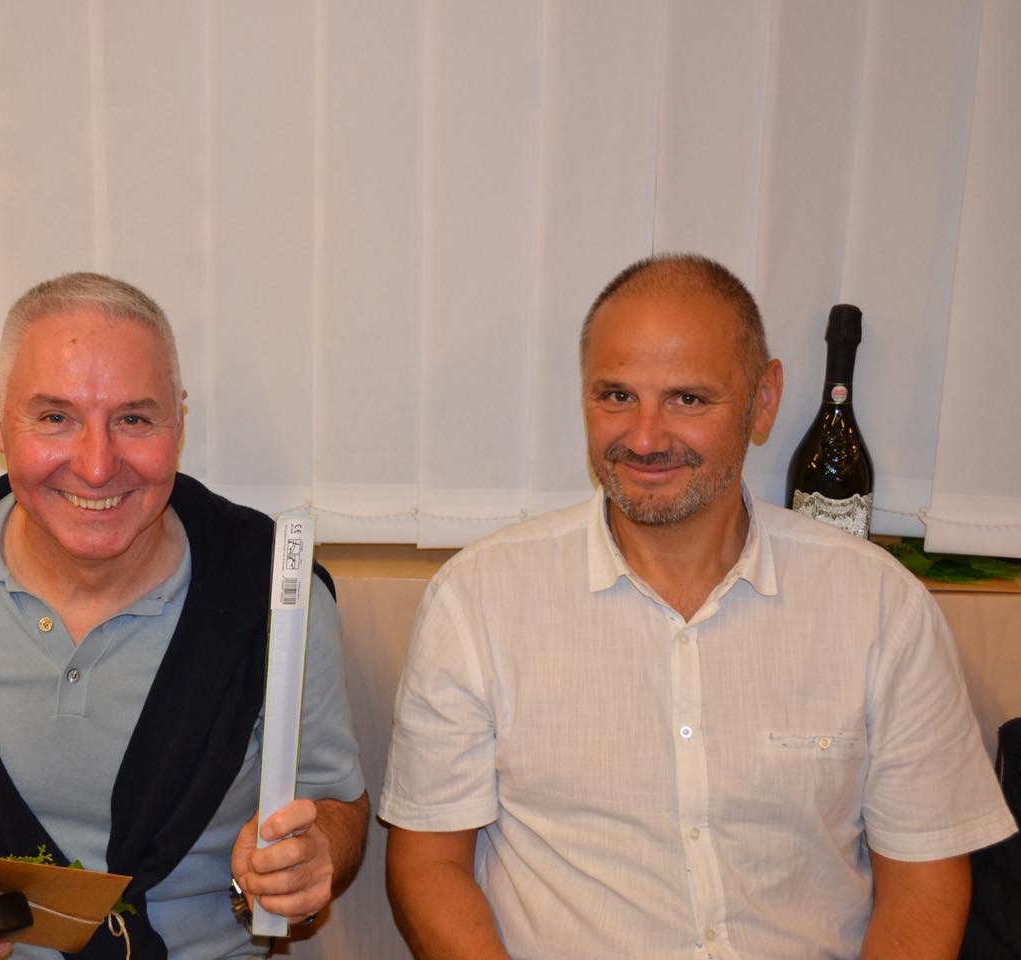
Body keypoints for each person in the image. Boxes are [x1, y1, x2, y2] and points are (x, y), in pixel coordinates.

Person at [379, 253, 1017, 959]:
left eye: (687, 399)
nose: (645, 438)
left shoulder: (880, 605)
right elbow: (428, 864)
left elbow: (925, 880)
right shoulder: (478, 601)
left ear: (763, 400)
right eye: (616, 396)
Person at [0, 272, 368, 960]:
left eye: (133, 419)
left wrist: (313, 854)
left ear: (178, 422)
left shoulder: (276, 592)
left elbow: (333, 802)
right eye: (55, 418)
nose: (97, 467)